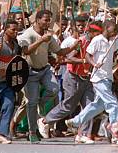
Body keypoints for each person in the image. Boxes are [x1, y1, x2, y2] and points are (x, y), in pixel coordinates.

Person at [18, 9, 77, 143]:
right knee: (31, 103)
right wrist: (40, 40)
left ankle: (41, 103)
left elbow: (59, 51)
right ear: (37, 20)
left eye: (49, 20)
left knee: (54, 89)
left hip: (44, 70)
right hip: (30, 72)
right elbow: (26, 51)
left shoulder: (48, 36)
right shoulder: (28, 34)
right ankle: (32, 132)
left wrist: (74, 46)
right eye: (45, 20)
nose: (48, 22)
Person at [65, 20, 118, 143]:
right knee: (113, 103)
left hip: (108, 77)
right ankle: (115, 130)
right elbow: (87, 55)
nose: (114, 32)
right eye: (113, 29)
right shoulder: (97, 40)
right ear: (106, 28)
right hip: (99, 78)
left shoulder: (113, 41)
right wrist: (94, 64)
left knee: (98, 105)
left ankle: (75, 122)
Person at [41, 16, 96, 144]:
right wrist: (84, 60)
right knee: (68, 106)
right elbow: (66, 59)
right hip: (73, 77)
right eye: (79, 25)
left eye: (84, 25)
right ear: (73, 27)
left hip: (87, 78)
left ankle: (82, 134)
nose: (82, 27)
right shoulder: (77, 42)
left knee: (89, 106)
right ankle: (45, 121)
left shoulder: (93, 41)